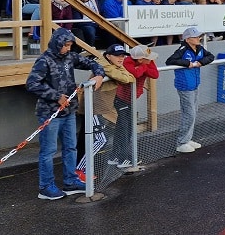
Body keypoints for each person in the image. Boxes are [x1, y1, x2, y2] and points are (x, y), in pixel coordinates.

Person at [26, 28, 105, 200]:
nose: (68, 48)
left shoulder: (70, 57)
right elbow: (32, 84)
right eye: (65, 45)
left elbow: (92, 62)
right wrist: (56, 96)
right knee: (48, 151)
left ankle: (71, 181)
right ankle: (45, 187)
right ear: (57, 43)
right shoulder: (44, 60)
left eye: (70, 45)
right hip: (50, 114)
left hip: (69, 111)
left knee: (70, 147)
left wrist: (99, 75)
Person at [76, 44, 135, 179]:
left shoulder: (115, 65)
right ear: (108, 56)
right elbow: (125, 78)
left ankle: (80, 168)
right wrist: (121, 74)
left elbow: (130, 77)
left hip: (100, 107)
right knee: (100, 139)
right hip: (93, 107)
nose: (121, 59)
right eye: (117, 56)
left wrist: (122, 73)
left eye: (122, 56)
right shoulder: (103, 64)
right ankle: (80, 169)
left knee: (86, 139)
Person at [108, 44, 159, 169]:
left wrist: (144, 66)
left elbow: (155, 74)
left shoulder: (146, 62)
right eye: (147, 58)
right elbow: (134, 74)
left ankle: (115, 156)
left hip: (131, 100)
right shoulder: (128, 61)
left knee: (125, 127)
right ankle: (122, 158)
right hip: (121, 98)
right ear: (140, 58)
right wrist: (143, 66)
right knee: (125, 128)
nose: (150, 60)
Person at [166, 27, 215, 153]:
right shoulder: (182, 49)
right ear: (188, 39)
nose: (198, 38)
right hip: (184, 85)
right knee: (189, 113)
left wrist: (200, 62)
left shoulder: (199, 48)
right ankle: (182, 142)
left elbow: (210, 56)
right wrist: (187, 63)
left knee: (193, 112)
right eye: (195, 37)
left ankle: (188, 139)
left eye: (198, 36)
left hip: (194, 84)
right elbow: (170, 61)